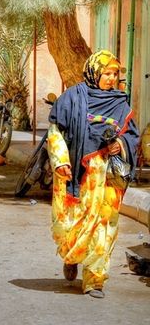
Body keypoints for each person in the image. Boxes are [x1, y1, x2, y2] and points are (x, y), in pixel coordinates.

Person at [48, 50, 139, 299]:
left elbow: (132, 135)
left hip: (108, 177)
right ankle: (72, 256)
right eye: (106, 73)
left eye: (115, 74)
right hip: (76, 174)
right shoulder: (72, 98)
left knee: (105, 224)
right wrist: (60, 161)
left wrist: (120, 145)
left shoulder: (121, 104)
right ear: (93, 73)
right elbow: (55, 132)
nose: (111, 78)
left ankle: (94, 280)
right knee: (70, 225)